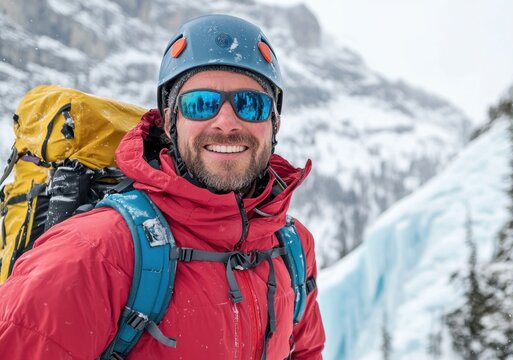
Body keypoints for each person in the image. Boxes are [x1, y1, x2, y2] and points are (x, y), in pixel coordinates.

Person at [0, 14, 325, 359]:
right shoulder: (95, 253)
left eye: (251, 104)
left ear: (274, 123)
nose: (227, 123)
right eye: (201, 104)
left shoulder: (290, 248)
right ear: (169, 122)